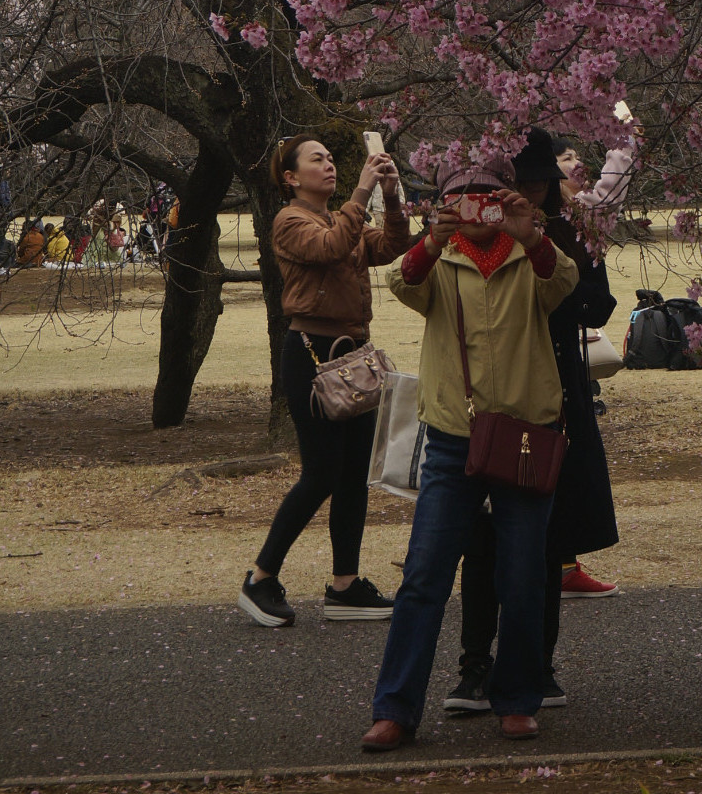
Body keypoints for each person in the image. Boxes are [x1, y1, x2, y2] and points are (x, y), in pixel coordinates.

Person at [362, 152, 579, 751]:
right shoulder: (442, 258)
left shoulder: (528, 253)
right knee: (425, 575)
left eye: (488, 193)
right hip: (453, 439)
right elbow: (401, 283)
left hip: (525, 436)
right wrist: (432, 241)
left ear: (509, 197)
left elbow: (563, 282)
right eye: (461, 195)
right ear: (445, 205)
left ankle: (517, 698)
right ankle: (396, 709)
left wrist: (528, 233)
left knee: (522, 574)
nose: (475, 204)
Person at [446, 128, 620, 718]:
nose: (534, 188)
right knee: (482, 536)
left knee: (546, 538)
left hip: (553, 393)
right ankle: (474, 664)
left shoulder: (564, 231)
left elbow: (596, 303)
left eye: (543, 178)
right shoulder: (472, 231)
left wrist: (544, 256)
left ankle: (538, 664)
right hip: (483, 395)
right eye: (522, 178)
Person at [239, 134, 411, 628]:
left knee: (355, 473)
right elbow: (332, 248)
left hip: (352, 355)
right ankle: (260, 578)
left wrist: (392, 197)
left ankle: (345, 586)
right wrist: (361, 194)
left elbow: (391, 245)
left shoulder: (343, 219)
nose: (330, 165)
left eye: (333, 159)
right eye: (318, 160)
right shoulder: (289, 220)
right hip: (312, 357)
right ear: (292, 177)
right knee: (321, 474)